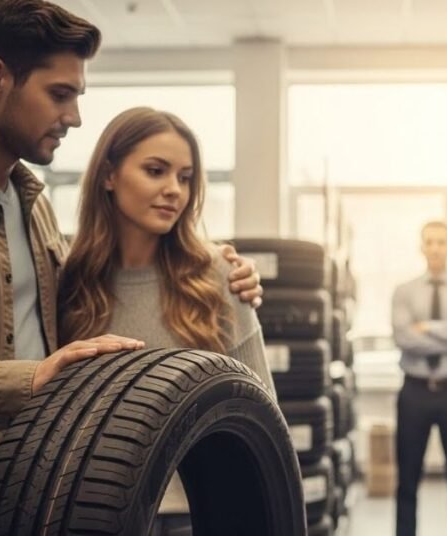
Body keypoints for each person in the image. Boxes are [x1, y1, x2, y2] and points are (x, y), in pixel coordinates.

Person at [0, 2, 261, 534]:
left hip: (27, 502)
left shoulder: (35, 204)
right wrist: (27, 382)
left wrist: (216, 263)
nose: (74, 117)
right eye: (59, 94)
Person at [58, 106, 277, 527]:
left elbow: (265, 423)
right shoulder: (69, 283)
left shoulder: (220, 276)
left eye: (185, 176)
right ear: (108, 175)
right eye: (156, 171)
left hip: (196, 514)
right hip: (92, 514)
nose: (174, 189)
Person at [391, 221, 447, 536]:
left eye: (441, 242)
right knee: (407, 481)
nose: (435, 248)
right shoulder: (404, 292)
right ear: (421, 246)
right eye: (429, 242)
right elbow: (403, 338)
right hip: (414, 393)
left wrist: (427, 327)